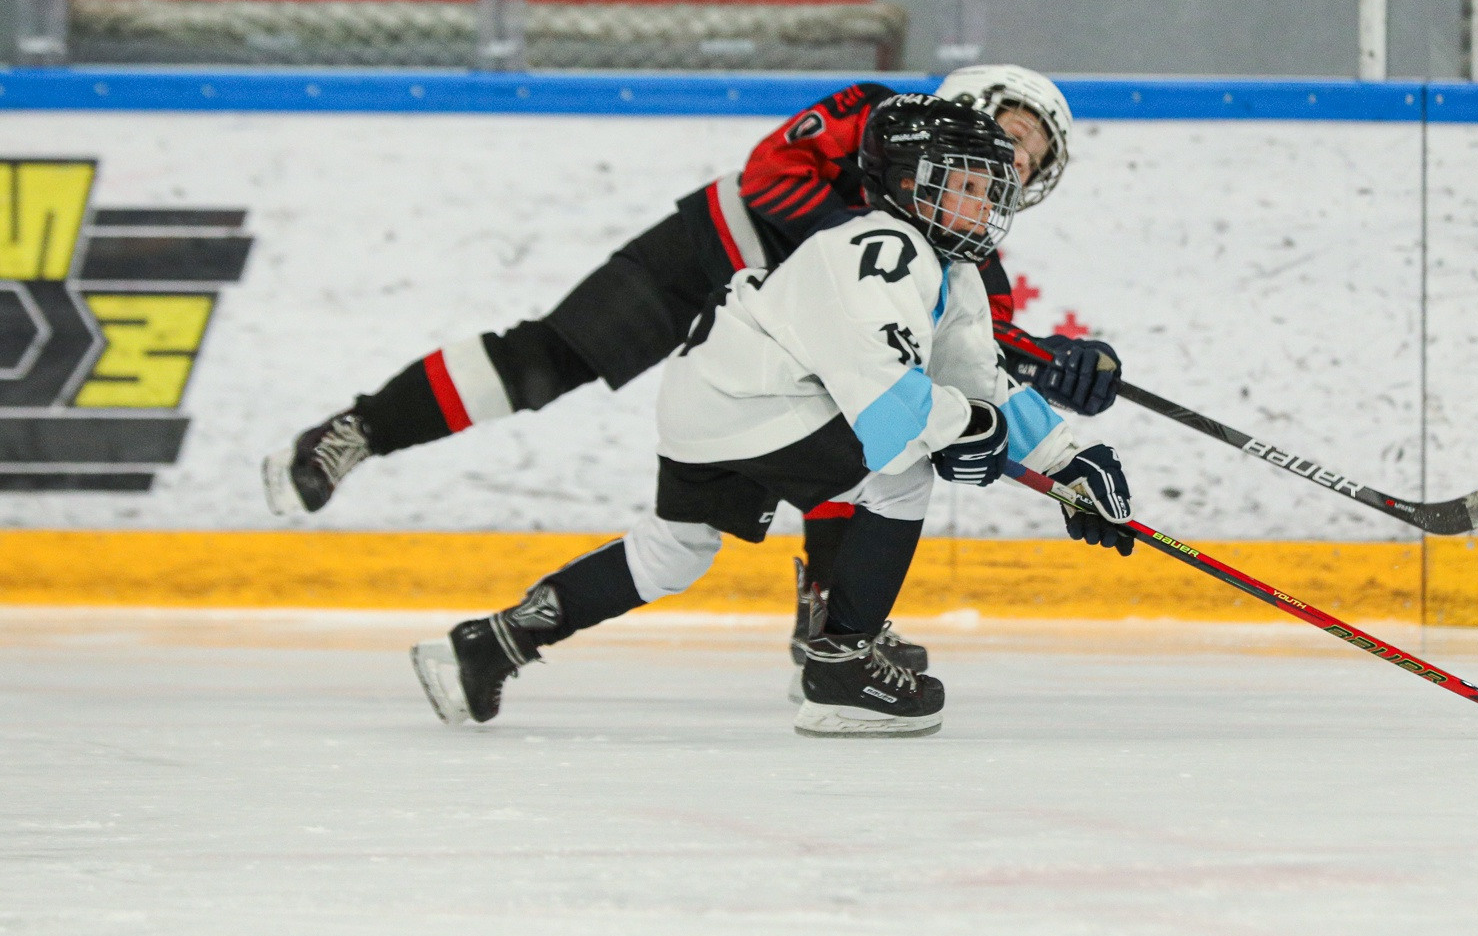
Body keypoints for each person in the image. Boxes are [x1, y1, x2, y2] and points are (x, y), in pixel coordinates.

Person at [264, 67, 1121, 667]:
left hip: (789, 341)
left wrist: (1055, 372)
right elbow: (770, 173)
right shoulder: (873, 111)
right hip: (713, 253)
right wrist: (837, 279)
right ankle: (357, 430)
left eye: (1026, 162)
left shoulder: (965, 249)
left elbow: (969, 360)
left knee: (858, 431)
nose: (1009, 164)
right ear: (971, 104)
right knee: (545, 360)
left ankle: (829, 619)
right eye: (1009, 135)